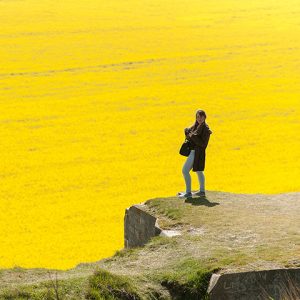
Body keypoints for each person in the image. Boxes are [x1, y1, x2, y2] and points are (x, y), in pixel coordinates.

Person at [178, 109, 212, 198]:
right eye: (197, 117)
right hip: (194, 152)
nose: (199, 118)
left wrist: (192, 136)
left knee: (185, 170)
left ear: (205, 117)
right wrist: (187, 132)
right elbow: (190, 136)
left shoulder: (206, 129)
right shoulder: (195, 126)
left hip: (197, 153)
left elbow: (203, 144)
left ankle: (188, 193)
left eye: (201, 116)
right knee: (199, 171)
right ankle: (202, 191)